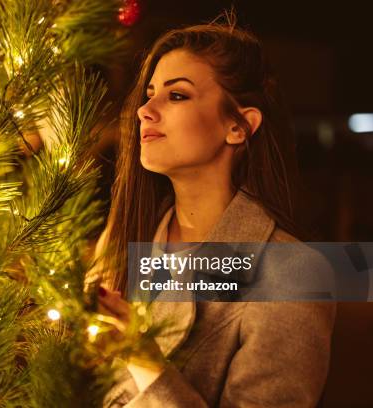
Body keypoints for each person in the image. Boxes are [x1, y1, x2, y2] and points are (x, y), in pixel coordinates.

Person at [87, 18, 336, 407]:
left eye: (177, 96)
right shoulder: (123, 239)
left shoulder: (292, 274)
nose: (144, 111)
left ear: (238, 126)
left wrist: (142, 357)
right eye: (149, 94)